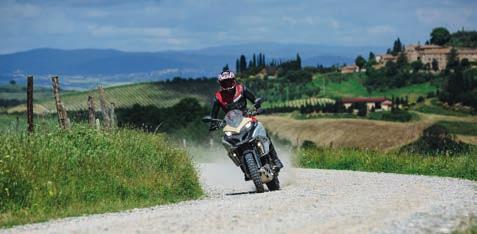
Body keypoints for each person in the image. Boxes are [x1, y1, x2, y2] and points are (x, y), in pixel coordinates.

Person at [210, 70, 284, 172]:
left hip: (247, 118)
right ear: (221, 84)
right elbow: (213, 115)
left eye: (229, 81)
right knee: (228, 141)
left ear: (234, 80)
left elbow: (254, 100)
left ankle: (276, 160)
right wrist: (213, 123)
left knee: (262, 131)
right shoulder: (218, 97)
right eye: (224, 82)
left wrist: (257, 107)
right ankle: (242, 165)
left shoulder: (241, 89)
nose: (227, 84)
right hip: (231, 124)